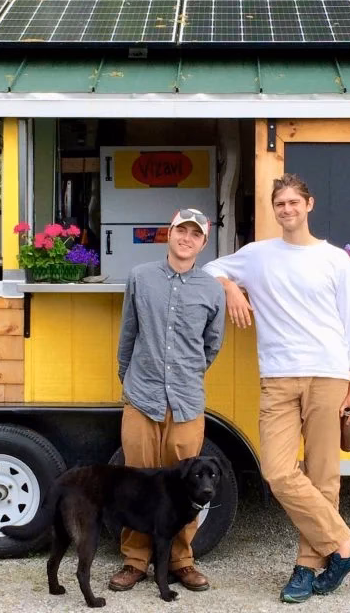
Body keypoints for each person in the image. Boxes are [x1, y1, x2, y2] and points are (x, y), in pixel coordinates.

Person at [203, 173, 350, 604]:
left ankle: (306, 566)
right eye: (280, 204)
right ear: (273, 209)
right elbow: (209, 269)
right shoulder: (257, 256)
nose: (288, 209)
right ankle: (344, 545)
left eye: (295, 202)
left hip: (328, 374)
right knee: (277, 472)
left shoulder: (334, 259)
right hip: (277, 376)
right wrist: (231, 289)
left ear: (309, 205)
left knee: (322, 475)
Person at [108, 207, 226, 593]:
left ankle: (181, 561)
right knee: (137, 482)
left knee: (185, 487)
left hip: (187, 402)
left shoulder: (211, 289)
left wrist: (188, 375)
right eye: (181, 230)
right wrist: (130, 378)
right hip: (142, 397)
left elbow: (213, 344)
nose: (186, 238)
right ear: (169, 234)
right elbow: (128, 333)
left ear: (203, 243)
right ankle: (135, 561)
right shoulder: (140, 278)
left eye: (195, 234)